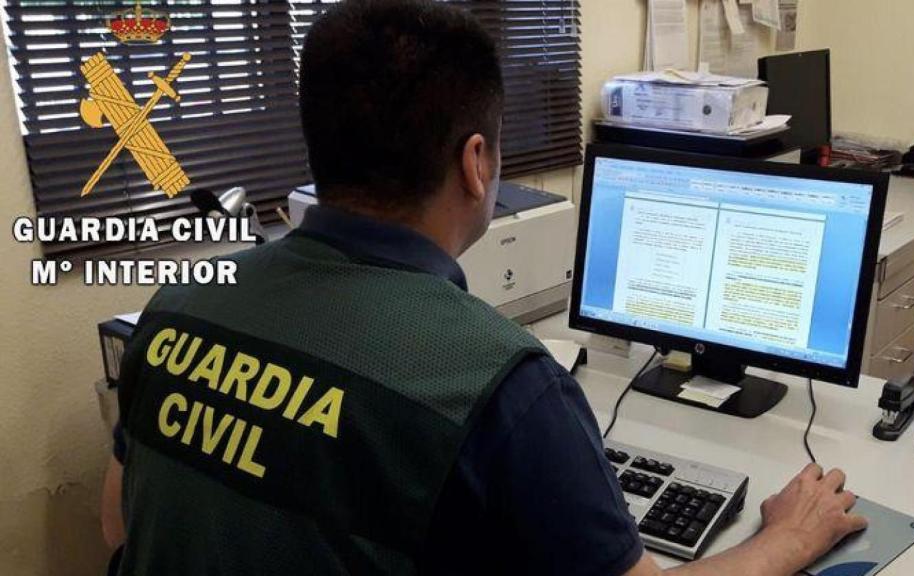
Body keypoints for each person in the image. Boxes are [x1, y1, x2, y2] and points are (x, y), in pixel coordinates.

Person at [101, 1, 867, 574]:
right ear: (476, 164)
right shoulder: (502, 385)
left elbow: (118, 526)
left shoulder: (177, 306)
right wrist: (789, 539)